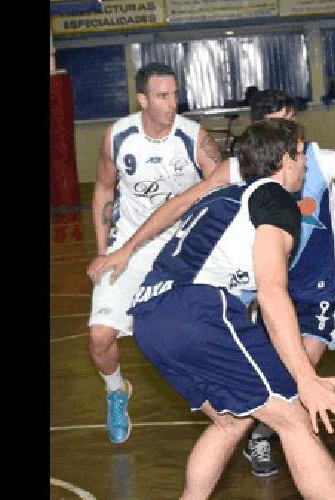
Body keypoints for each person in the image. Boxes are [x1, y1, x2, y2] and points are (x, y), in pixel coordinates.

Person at [89, 89, 335, 477]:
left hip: (315, 287)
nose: (292, 132)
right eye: (281, 125)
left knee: (290, 383)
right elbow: (179, 204)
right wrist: (126, 248)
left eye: (291, 123)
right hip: (258, 289)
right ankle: (270, 435)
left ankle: (267, 433)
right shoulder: (244, 171)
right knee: (275, 397)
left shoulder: (320, 161)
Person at [124, 119, 335, 499]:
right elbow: (271, 292)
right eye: (301, 156)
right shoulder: (275, 199)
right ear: (285, 159)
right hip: (195, 310)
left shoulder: (224, 197)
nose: (305, 166)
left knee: (232, 421)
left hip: (150, 319)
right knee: (294, 418)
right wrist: (305, 378)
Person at [86, 62, 222, 444]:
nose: (172, 103)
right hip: (130, 246)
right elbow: (103, 190)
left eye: (175, 94)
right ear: (142, 99)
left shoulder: (194, 138)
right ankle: (116, 391)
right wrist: (103, 251)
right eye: (163, 96)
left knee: (194, 337)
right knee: (99, 338)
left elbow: (222, 188)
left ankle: (233, 406)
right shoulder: (118, 137)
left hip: (183, 246)